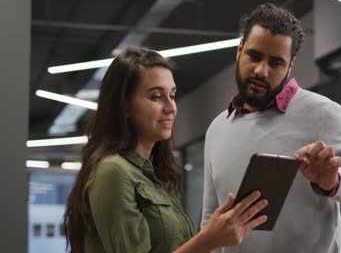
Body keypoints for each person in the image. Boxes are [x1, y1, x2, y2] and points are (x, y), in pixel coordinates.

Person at [201, 3, 341, 253]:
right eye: (254, 56)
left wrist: (335, 181)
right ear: (239, 51)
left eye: (276, 63)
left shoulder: (323, 113)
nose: (261, 71)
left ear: (290, 65)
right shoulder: (217, 129)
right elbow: (210, 221)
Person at [63, 46, 269, 253]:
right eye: (156, 97)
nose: (171, 107)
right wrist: (208, 240)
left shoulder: (155, 176)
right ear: (124, 106)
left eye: (172, 95)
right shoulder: (113, 171)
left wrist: (215, 234)